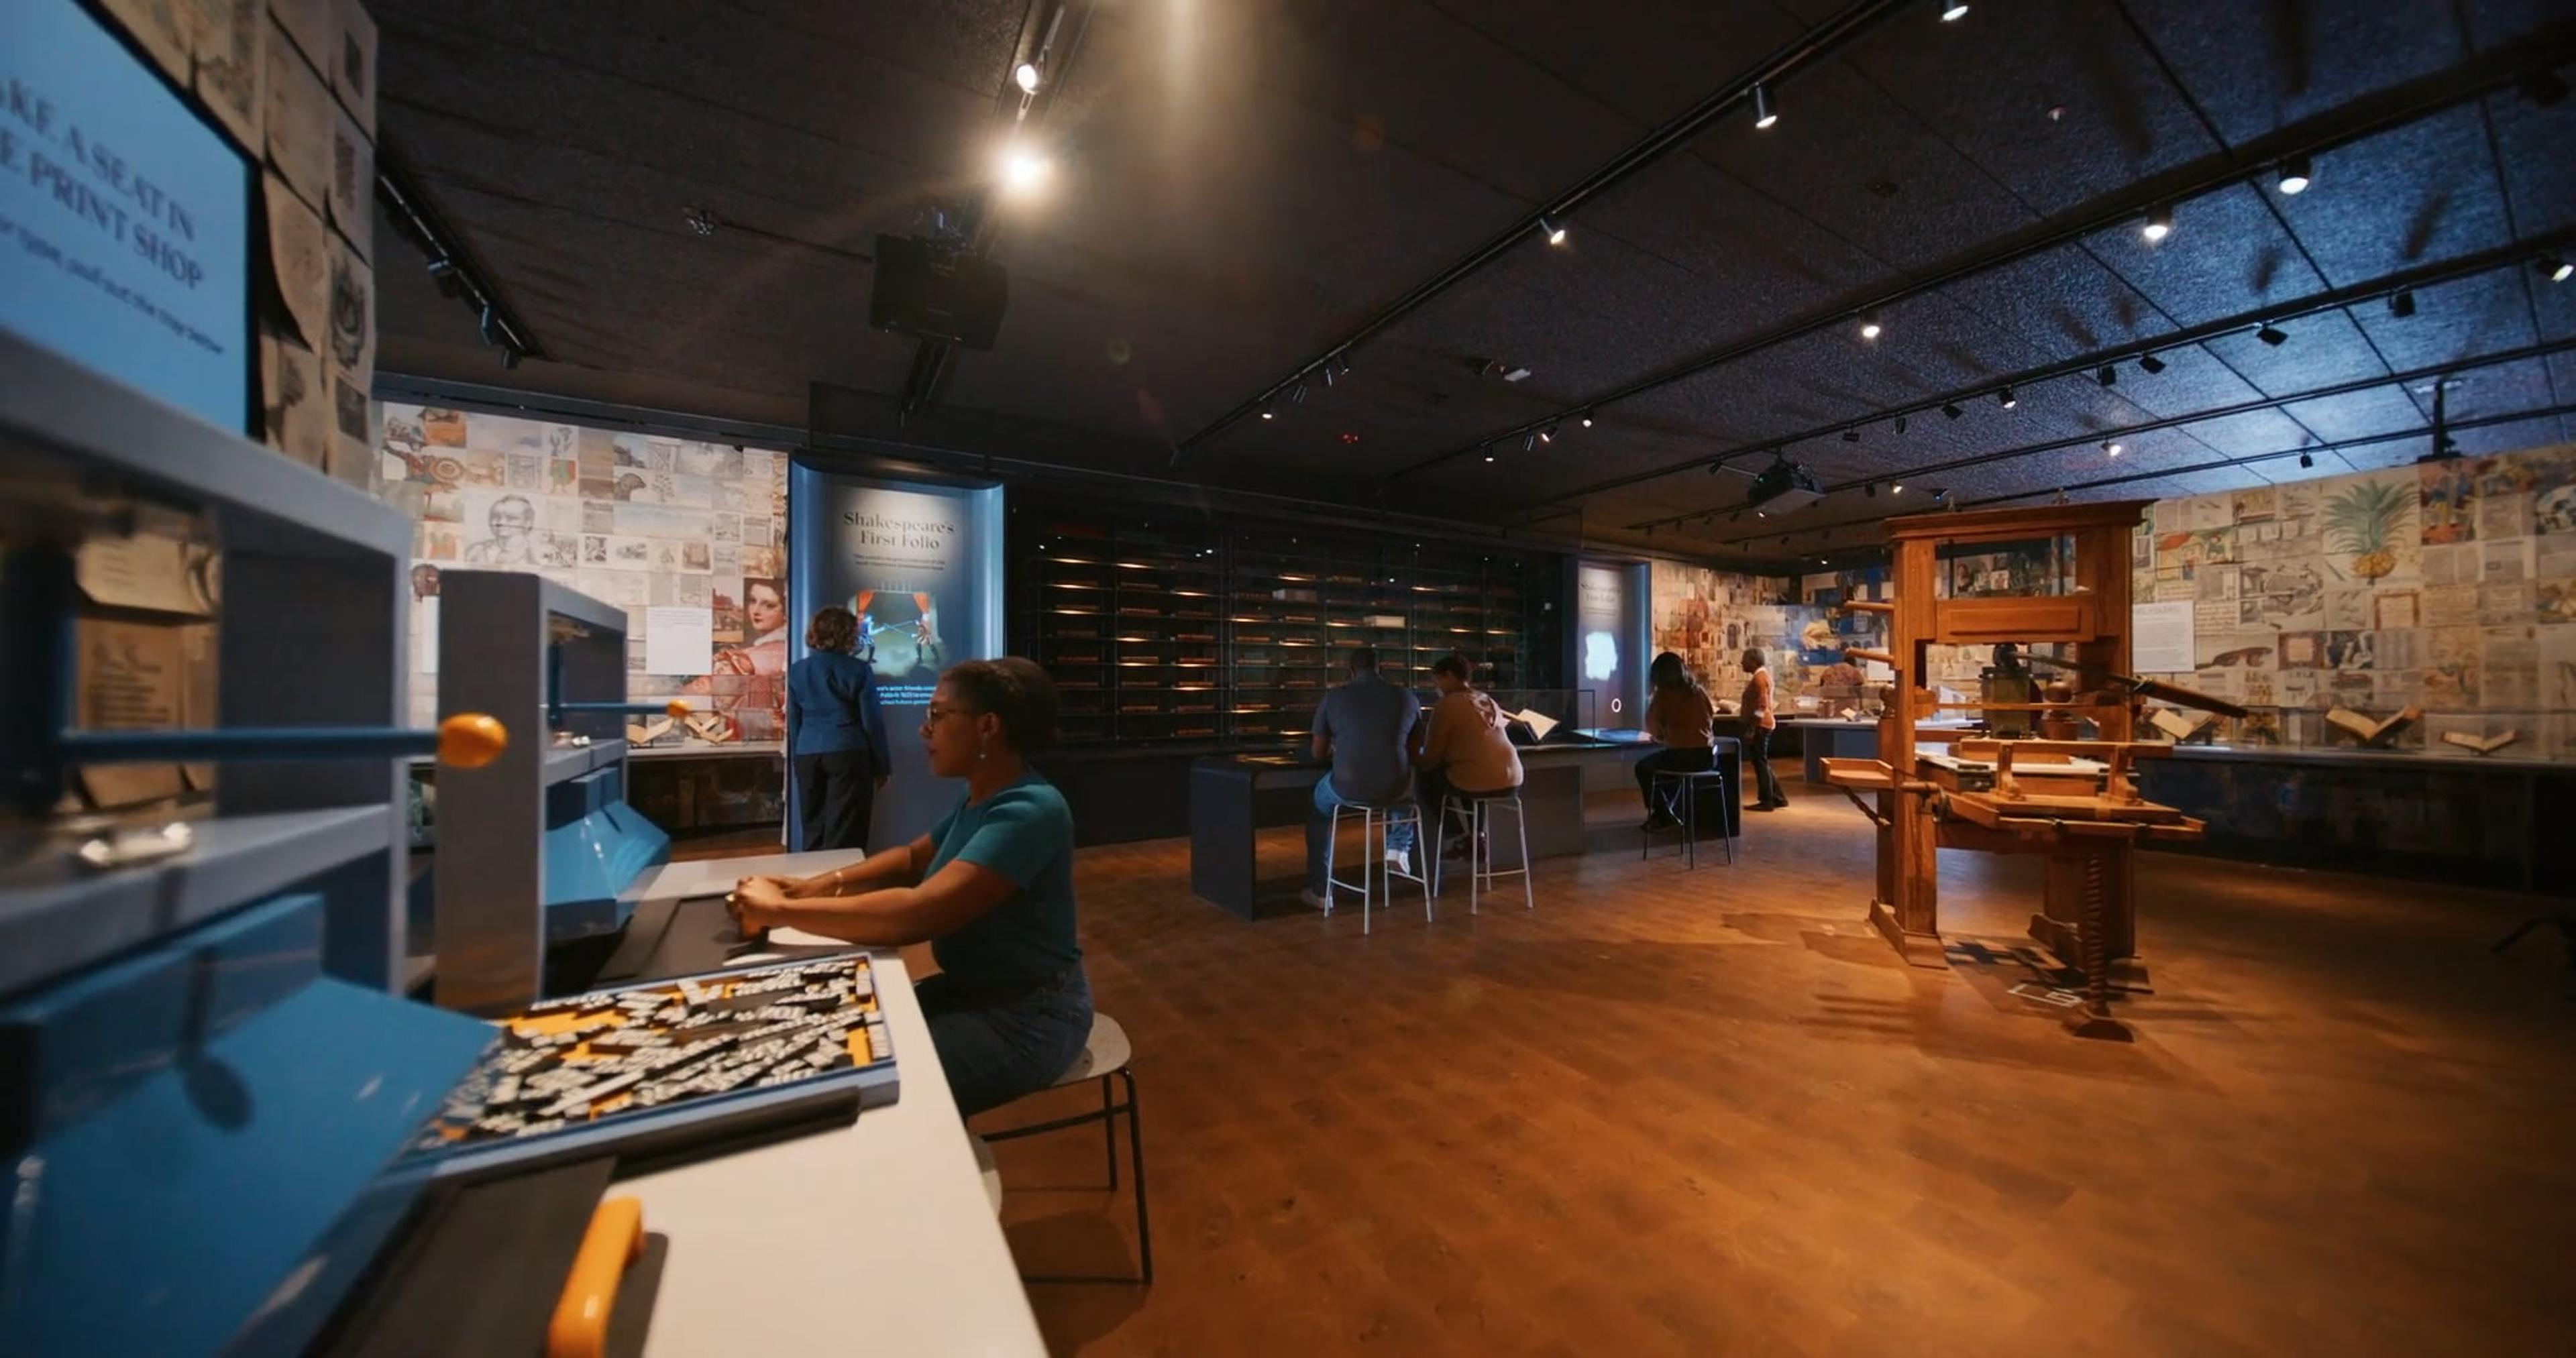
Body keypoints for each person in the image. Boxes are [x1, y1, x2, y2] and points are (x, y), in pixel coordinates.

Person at [729, 658, 1091, 1117]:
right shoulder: (981, 794)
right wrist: (809, 888)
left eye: (938, 716)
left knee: (857, 1086)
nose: (925, 730)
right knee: (835, 1035)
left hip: (1026, 1018)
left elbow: (917, 914)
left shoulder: (1030, 809)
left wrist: (779, 911)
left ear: (987, 726)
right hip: (972, 991)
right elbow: (912, 859)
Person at [1301, 646, 1420, 909]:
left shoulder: (1333, 698)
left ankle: (1322, 892)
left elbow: (1318, 752)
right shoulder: (1407, 697)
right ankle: (1397, 849)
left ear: (1351, 670)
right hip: (1395, 786)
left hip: (1347, 786)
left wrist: (1342, 746)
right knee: (1405, 790)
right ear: (1382, 669)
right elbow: (1413, 752)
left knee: (1318, 810)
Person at [786, 606, 890, 851]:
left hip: (807, 752)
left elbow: (794, 719)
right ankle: (842, 885)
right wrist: (882, 765)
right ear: (848, 634)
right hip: (848, 752)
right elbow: (872, 722)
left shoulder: (798, 670)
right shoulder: (858, 669)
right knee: (846, 831)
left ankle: (811, 882)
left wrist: (797, 760)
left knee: (813, 828)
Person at [1413, 653, 1522, 858]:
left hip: (1478, 780)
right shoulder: (1486, 699)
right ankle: (1477, 837)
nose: (1437, 687)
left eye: (1438, 680)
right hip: (1513, 778)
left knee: (1427, 778)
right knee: (1467, 779)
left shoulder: (1447, 705)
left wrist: (1413, 756)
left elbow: (1431, 758)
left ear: (1450, 676)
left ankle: (1459, 836)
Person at [1637, 651, 1715, 829]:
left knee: (1643, 768)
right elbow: (1710, 717)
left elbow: (1654, 729)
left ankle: (1664, 814)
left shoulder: (1663, 696)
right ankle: (1663, 814)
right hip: (1707, 757)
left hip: (1682, 756)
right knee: (1669, 772)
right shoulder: (1698, 691)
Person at [1741, 646, 1787, 810]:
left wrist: (1753, 726)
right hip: (1764, 724)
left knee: (1760, 763)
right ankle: (1778, 797)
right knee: (1762, 762)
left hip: (1761, 725)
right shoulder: (1763, 676)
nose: (1741, 663)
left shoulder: (1759, 678)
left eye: (1744, 660)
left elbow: (1761, 705)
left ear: (1753, 661)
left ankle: (1767, 800)